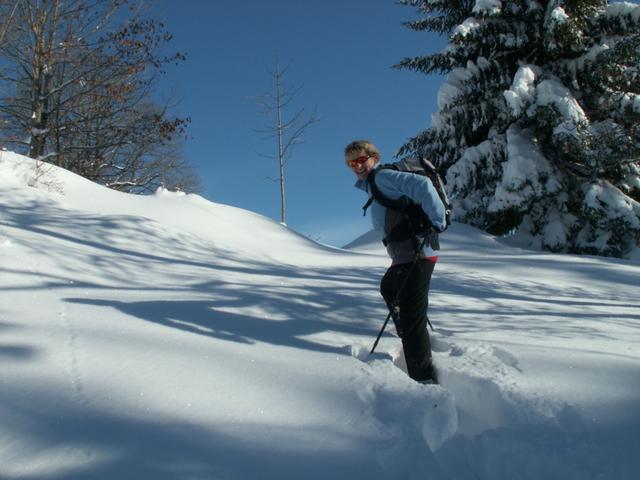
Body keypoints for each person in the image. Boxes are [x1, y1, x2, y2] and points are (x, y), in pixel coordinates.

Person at [344, 140, 446, 383]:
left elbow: (422, 184)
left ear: (373, 157)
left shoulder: (381, 177)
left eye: (361, 159)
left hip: (417, 253)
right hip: (405, 255)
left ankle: (423, 378)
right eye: (352, 162)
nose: (358, 165)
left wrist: (438, 221)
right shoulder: (373, 184)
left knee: (413, 318)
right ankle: (407, 331)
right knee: (389, 287)